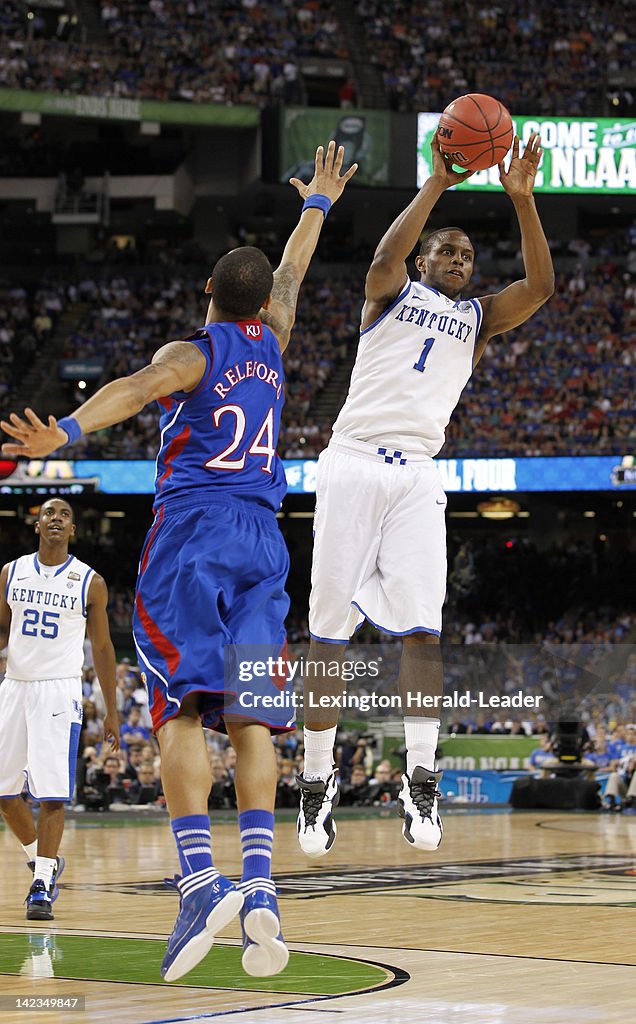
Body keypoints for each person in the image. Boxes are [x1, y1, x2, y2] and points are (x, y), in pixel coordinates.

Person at [1, 142, 357, 981]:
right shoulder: (275, 334)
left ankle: (201, 880)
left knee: (180, 713)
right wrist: (318, 207)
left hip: (193, 536)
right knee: (254, 717)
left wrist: (67, 433)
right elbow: (295, 270)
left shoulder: (191, 354)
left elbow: (131, 388)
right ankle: (263, 888)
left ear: (206, 295)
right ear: (262, 299)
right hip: (265, 542)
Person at [294, 131, 554, 858]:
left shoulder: (477, 320)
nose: (462, 263)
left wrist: (523, 202)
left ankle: (420, 776)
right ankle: (316, 781)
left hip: (417, 473)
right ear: (424, 261)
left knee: (423, 632)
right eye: (450, 253)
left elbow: (540, 290)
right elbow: (380, 259)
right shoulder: (391, 293)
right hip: (349, 464)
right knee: (327, 636)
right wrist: (438, 181)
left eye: (469, 256)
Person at [0, 498, 120, 921]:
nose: (56, 519)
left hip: (58, 690)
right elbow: (1, 631)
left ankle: (42, 882)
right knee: (4, 792)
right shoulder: (10, 572)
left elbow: (103, 648)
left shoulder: (90, 581)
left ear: (72, 530)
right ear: (37, 525)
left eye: (64, 515)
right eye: (49, 513)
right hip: (14, 686)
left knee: (50, 792)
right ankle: (43, 860)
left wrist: (112, 709)